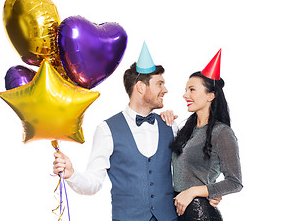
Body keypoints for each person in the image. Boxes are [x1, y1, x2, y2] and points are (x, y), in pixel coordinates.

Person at [53, 42, 220, 221]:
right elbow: (93, 183)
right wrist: (72, 174)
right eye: (160, 84)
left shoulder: (170, 125)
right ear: (141, 87)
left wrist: (209, 190)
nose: (165, 89)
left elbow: (187, 171)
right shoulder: (106, 130)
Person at [169, 49, 243, 220]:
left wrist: (195, 191)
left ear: (210, 95)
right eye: (186, 90)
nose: (185, 95)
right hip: (178, 213)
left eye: (192, 90)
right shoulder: (187, 131)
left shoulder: (222, 133)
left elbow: (235, 182)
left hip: (200, 214)